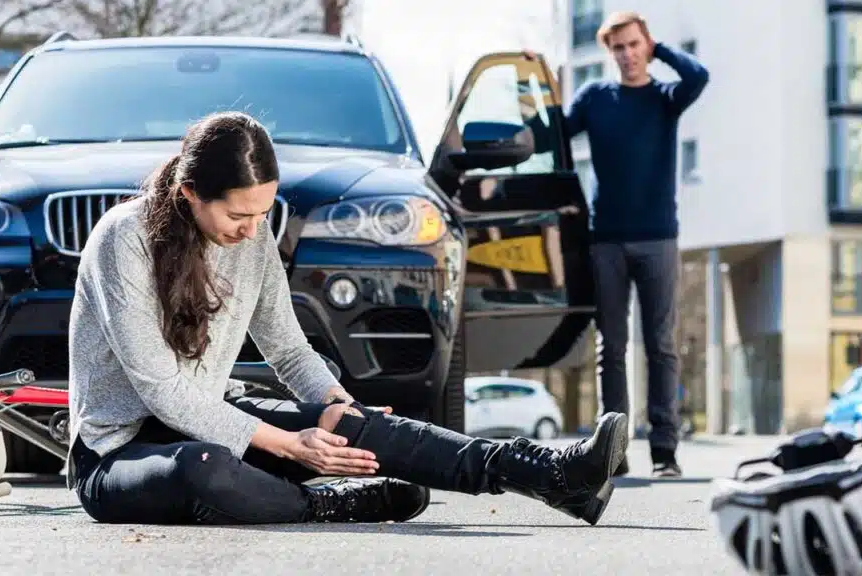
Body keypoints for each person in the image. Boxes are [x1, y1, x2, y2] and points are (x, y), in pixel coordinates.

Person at [64, 111, 631, 526]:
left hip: (213, 416)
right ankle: (324, 503)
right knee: (202, 465)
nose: (251, 227)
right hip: (120, 454)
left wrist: (340, 405)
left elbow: (287, 350)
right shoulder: (125, 237)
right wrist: (290, 446)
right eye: (239, 213)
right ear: (190, 192)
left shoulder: (252, 234)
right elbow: (161, 391)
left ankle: (550, 476)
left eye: (263, 212)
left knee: (345, 423)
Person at [555, 12, 708, 478]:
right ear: (610, 53)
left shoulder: (666, 98)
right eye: (618, 47)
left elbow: (698, 75)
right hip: (607, 240)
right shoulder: (596, 98)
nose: (627, 54)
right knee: (612, 347)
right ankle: (613, 451)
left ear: (646, 44)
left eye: (634, 44)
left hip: (659, 237)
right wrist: (533, 80)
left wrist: (660, 49)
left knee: (662, 345)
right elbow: (555, 132)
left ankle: (665, 452)